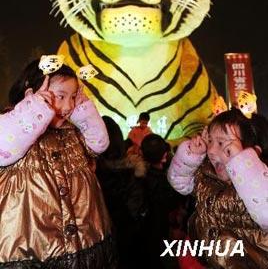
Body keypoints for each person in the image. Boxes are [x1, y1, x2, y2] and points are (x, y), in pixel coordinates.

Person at [0, 57, 116, 268]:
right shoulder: (14, 127)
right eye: (60, 96)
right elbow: (3, 145)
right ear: (31, 94)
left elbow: (99, 144)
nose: (68, 106)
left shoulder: (72, 134)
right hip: (32, 255)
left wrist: (85, 112)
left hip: (84, 249)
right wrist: (35, 109)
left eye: (74, 98)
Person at [168, 107, 268, 268]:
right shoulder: (207, 176)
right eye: (210, 142)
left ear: (252, 152)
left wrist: (243, 163)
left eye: (222, 143)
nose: (212, 151)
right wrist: (191, 154)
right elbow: (179, 182)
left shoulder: (259, 182)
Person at [96, 116, 146, 269]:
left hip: (99, 245)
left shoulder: (91, 174)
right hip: (130, 244)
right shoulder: (132, 173)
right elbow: (137, 209)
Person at [140, 134, 185, 269]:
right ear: (165, 155)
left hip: (148, 232)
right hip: (166, 231)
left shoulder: (140, 177)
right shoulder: (169, 180)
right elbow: (173, 204)